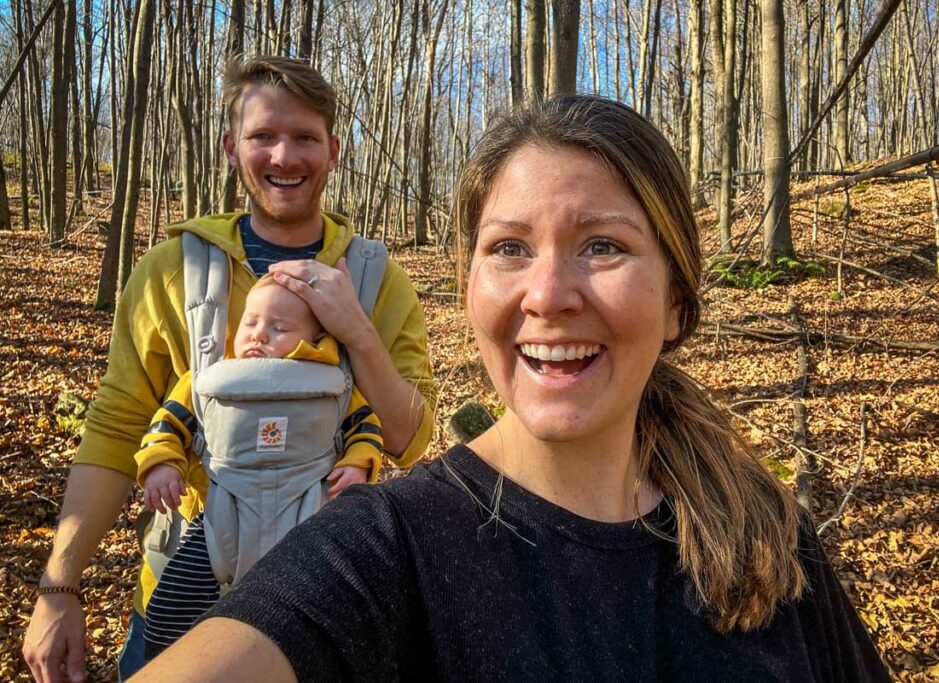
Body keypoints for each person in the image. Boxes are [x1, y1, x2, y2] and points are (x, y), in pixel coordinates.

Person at [134, 95, 891, 681]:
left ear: (677, 303)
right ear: (470, 290)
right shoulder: (387, 548)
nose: (547, 293)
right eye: (509, 248)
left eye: (603, 245)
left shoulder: (763, 536)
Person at [22, 55, 436, 683]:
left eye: (304, 137)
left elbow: (409, 438)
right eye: (262, 136)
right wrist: (59, 583)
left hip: (325, 591)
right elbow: (116, 428)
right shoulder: (170, 271)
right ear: (229, 147)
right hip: (186, 584)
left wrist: (356, 330)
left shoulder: (380, 280)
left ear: (335, 150)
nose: (283, 156)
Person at [137, 273, 384, 659]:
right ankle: (167, 661)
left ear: (314, 339)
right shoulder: (211, 377)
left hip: (307, 514)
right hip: (223, 513)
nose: (258, 335)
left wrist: (358, 466)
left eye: (278, 327)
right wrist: (160, 464)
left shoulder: (331, 383)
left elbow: (365, 429)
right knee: (173, 602)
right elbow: (167, 423)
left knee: (324, 607)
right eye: (250, 322)